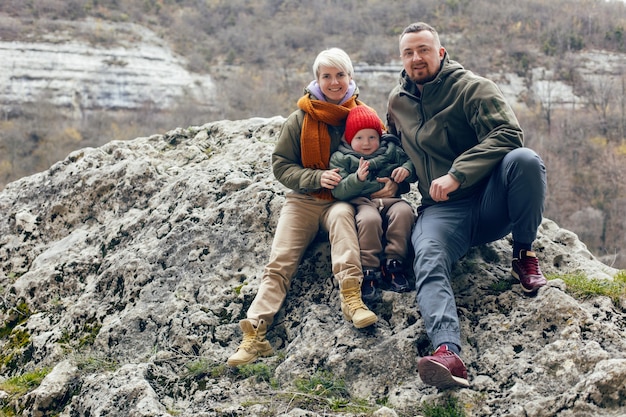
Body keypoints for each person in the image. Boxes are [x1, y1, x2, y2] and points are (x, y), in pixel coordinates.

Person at [386, 22, 548, 389]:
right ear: (402, 59)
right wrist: (387, 173)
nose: (417, 58)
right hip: (442, 211)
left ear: (440, 52)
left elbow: (508, 135)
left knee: (524, 159)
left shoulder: (472, 88)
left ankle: (523, 253)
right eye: (409, 52)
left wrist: (459, 173)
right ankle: (447, 352)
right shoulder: (398, 102)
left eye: (424, 50)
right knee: (426, 254)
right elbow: (393, 143)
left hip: (490, 198)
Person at [227, 47, 397, 367]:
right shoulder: (300, 118)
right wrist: (316, 177)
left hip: (342, 201)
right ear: (316, 80)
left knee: (345, 226)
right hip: (304, 200)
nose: (334, 82)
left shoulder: (363, 117)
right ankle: (254, 336)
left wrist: (388, 181)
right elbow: (281, 166)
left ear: (350, 78)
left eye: (340, 75)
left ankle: (352, 299)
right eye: (327, 76)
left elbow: (384, 156)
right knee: (280, 262)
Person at [329, 105, 417, 300]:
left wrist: (406, 171)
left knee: (404, 212)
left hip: (391, 200)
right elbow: (339, 190)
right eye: (359, 138)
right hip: (363, 203)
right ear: (349, 139)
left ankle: (394, 262)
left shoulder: (391, 150)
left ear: (380, 137)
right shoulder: (341, 158)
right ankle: (369, 269)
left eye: (372, 137)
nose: (366, 143)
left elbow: (410, 161)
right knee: (369, 220)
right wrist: (357, 179)